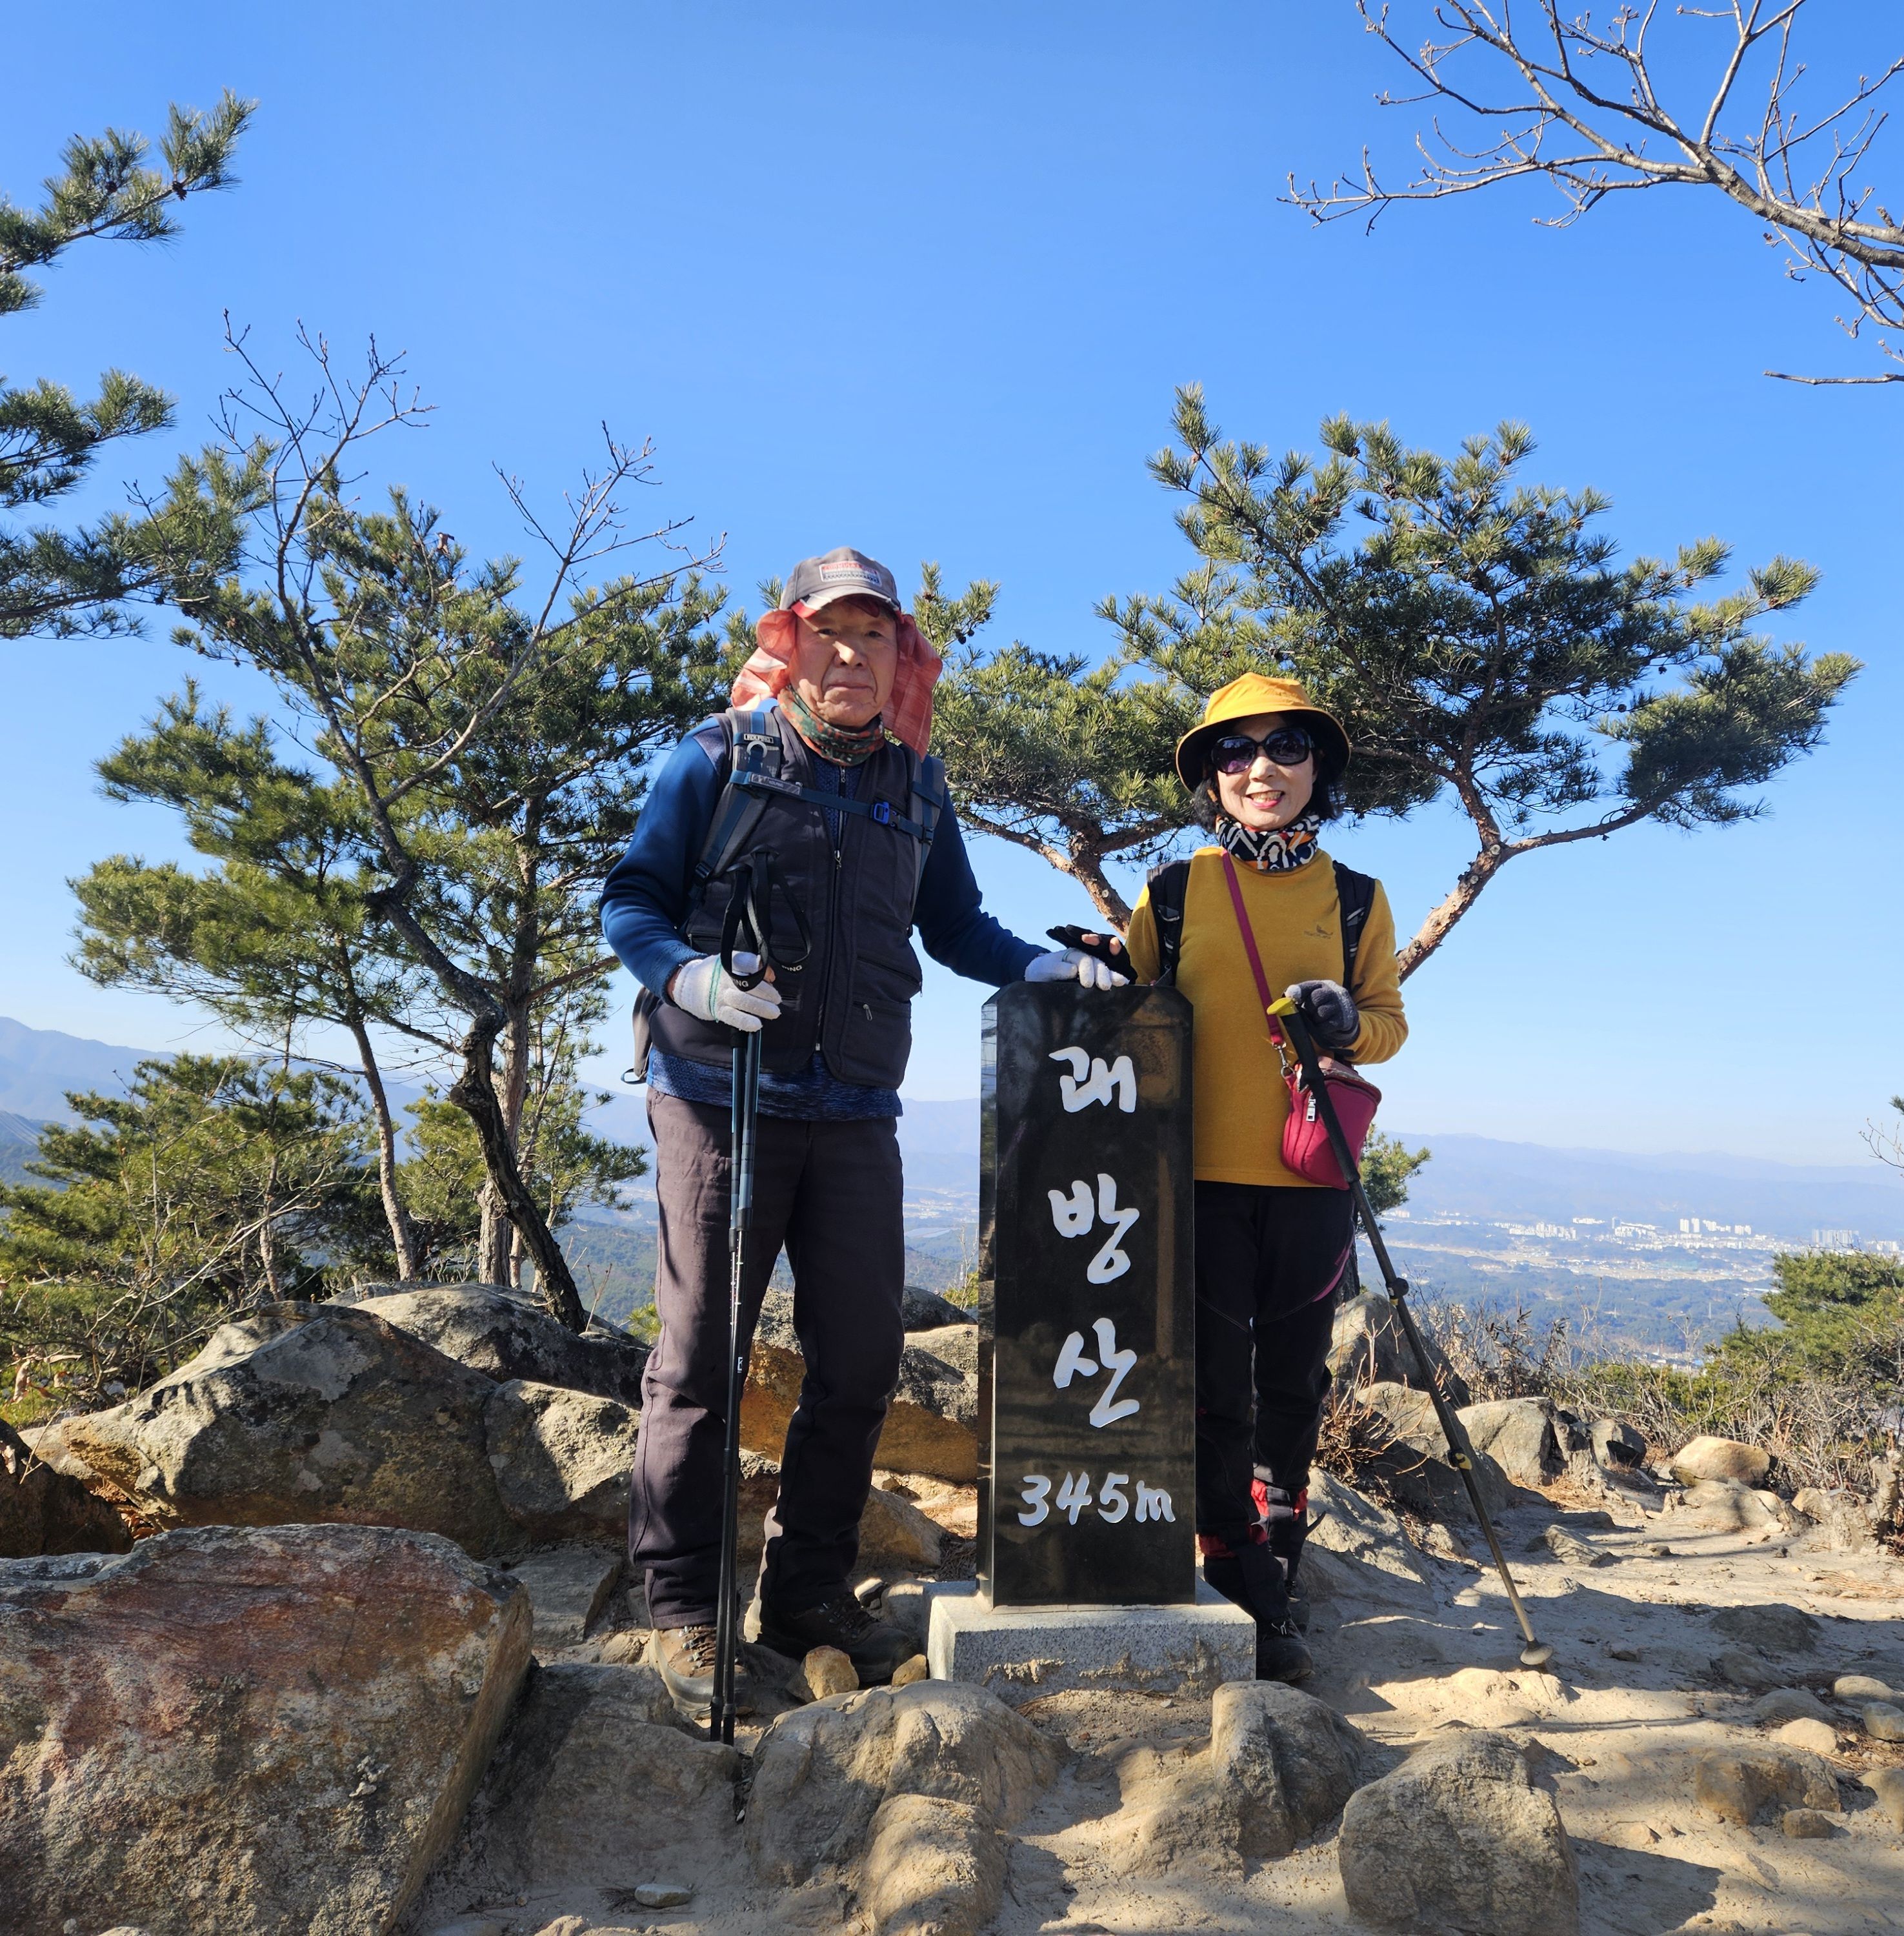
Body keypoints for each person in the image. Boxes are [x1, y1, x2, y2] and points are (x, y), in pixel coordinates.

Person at [600, 546, 1126, 1719]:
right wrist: (687, 976)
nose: (852, 653)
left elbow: (958, 927)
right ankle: (682, 1607)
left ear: (902, 655)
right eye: (831, 632)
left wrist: (1041, 967)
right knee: (700, 1360)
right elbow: (631, 898)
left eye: (875, 634)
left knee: (860, 1361)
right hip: (720, 1095)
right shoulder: (717, 758)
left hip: (854, 1110)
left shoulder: (916, 790)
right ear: (791, 641)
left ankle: (806, 1598)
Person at [1125, 672, 1407, 1682]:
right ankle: (1235, 1565)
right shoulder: (1172, 891)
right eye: (1235, 751)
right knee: (1212, 1385)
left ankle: (1277, 1551)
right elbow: (1129, 1014)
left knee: (1293, 1378)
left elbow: (1389, 1024)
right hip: (1194, 1176)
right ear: (1211, 776)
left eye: (1287, 746)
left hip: (1311, 1179)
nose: (1261, 768)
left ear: (1317, 767)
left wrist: (1349, 1023)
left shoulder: (1355, 897)